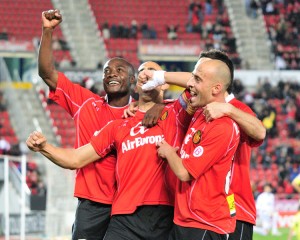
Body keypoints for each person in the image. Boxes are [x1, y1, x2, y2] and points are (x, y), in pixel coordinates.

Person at [27, 61, 195, 239]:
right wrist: (44, 147)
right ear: (135, 86)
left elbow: (196, 82)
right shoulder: (118, 125)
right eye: (141, 72)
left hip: (164, 213)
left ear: (164, 83)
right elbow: (75, 159)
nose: (146, 74)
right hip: (124, 217)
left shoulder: (175, 114)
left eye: (151, 71)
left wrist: (159, 79)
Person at [141, 50, 266, 240]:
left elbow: (260, 131)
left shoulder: (235, 109)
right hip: (194, 211)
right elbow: (187, 90)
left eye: (199, 74)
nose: (190, 81)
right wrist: (156, 99)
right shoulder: (201, 107)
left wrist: (228, 109)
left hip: (231, 209)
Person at [39, 9, 136, 239]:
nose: (111, 73)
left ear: (133, 79)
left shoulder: (144, 115)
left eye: (119, 70)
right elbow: (47, 73)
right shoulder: (85, 103)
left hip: (129, 207)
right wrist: (47, 31)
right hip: (91, 206)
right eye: (107, 71)